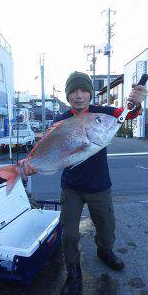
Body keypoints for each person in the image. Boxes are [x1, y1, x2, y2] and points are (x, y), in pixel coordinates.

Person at [19, 72, 147, 295]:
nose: (79, 96)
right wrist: (29, 164)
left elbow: (125, 114)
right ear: (68, 95)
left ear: (90, 93)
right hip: (72, 187)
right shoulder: (60, 121)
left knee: (107, 229)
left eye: (84, 90)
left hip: (100, 186)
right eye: (73, 92)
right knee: (69, 234)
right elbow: (46, 150)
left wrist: (136, 103)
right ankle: (73, 272)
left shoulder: (102, 114)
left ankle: (104, 251)